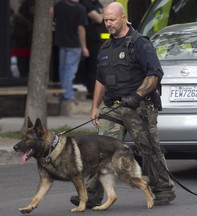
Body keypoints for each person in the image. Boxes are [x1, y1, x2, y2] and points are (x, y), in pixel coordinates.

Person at [70, 2, 176, 208]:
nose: (108, 24)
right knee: (102, 151)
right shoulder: (106, 47)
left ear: (123, 17)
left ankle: (163, 188)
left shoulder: (139, 43)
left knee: (149, 150)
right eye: (105, 20)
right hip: (113, 107)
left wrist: (136, 96)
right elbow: (100, 79)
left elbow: (154, 73)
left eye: (112, 19)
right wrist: (95, 107)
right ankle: (92, 194)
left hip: (140, 107)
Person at [54, 0, 89, 106]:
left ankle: (64, 93)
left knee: (63, 70)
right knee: (69, 71)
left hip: (62, 43)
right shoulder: (80, 9)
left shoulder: (59, 5)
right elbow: (80, 28)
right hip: (74, 44)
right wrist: (84, 47)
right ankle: (68, 95)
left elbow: (53, 19)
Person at [76, 0, 105, 99]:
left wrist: (103, 14)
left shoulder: (97, 3)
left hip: (99, 40)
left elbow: (104, 15)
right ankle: (92, 92)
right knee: (92, 68)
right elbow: (99, 19)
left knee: (97, 67)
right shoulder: (85, 3)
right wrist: (102, 15)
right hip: (90, 41)